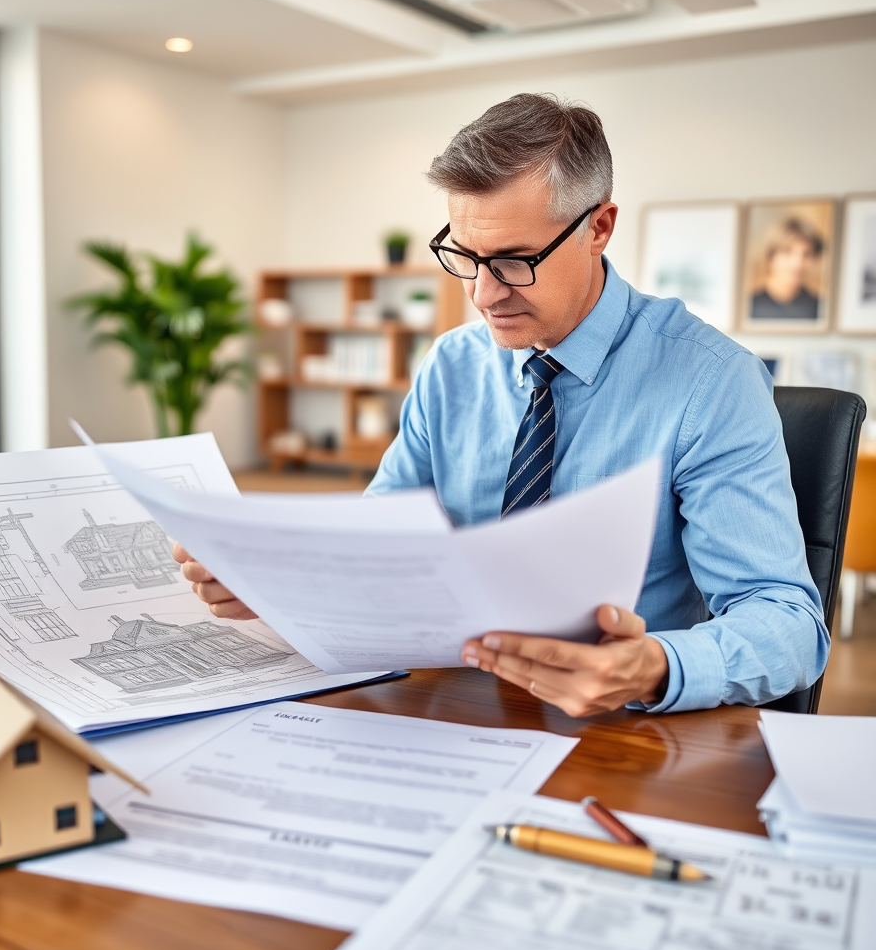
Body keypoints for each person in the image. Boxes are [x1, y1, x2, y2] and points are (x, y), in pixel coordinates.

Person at [174, 93, 827, 718]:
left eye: (516, 261)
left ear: (598, 227)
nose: (484, 295)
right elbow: (383, 538)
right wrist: (282, 588)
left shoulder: (710, 383)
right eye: (466, 256)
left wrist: (655, 664)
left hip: (619, 728)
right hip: (450, 700)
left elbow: (790, 624)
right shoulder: (451, 366)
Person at [749, 217, 824, 320]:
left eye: (806, 254)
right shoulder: (749, 307)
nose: (797, 263)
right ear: (771, 256)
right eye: (787, 252)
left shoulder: (820, 308)